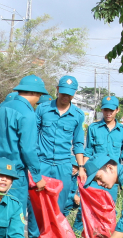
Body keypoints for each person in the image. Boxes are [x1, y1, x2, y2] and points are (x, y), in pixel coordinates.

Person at [0, 74, 49, 238]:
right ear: (35, 93)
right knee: (14, 218)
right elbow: (28, 149)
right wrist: (37, 177)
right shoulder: (28, 114)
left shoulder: (4, 108)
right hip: (14, 176)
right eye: (38, 98)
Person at [75, 96, 123, 233]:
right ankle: (78, 237)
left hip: (112, 177)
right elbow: (88, 150)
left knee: (109, 208)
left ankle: (105, 237)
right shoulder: (93, 128)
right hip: (95, 175)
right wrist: (82, 170)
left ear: (117, 110)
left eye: (111, 110)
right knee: (84, 208)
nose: (108, 113)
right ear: (102, 110)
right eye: (106, 110)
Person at [36, 76, 86, 217]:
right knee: (37, 205)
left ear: (74, 93)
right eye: (63, 92)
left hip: (63, 165)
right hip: (42, 163)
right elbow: (32, 136)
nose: (66, 96)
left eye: (69, 94)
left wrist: (81, 168)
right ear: (57, 90)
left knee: (59, 207)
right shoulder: (43, 109)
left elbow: (78, 143)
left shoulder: (78, 115)